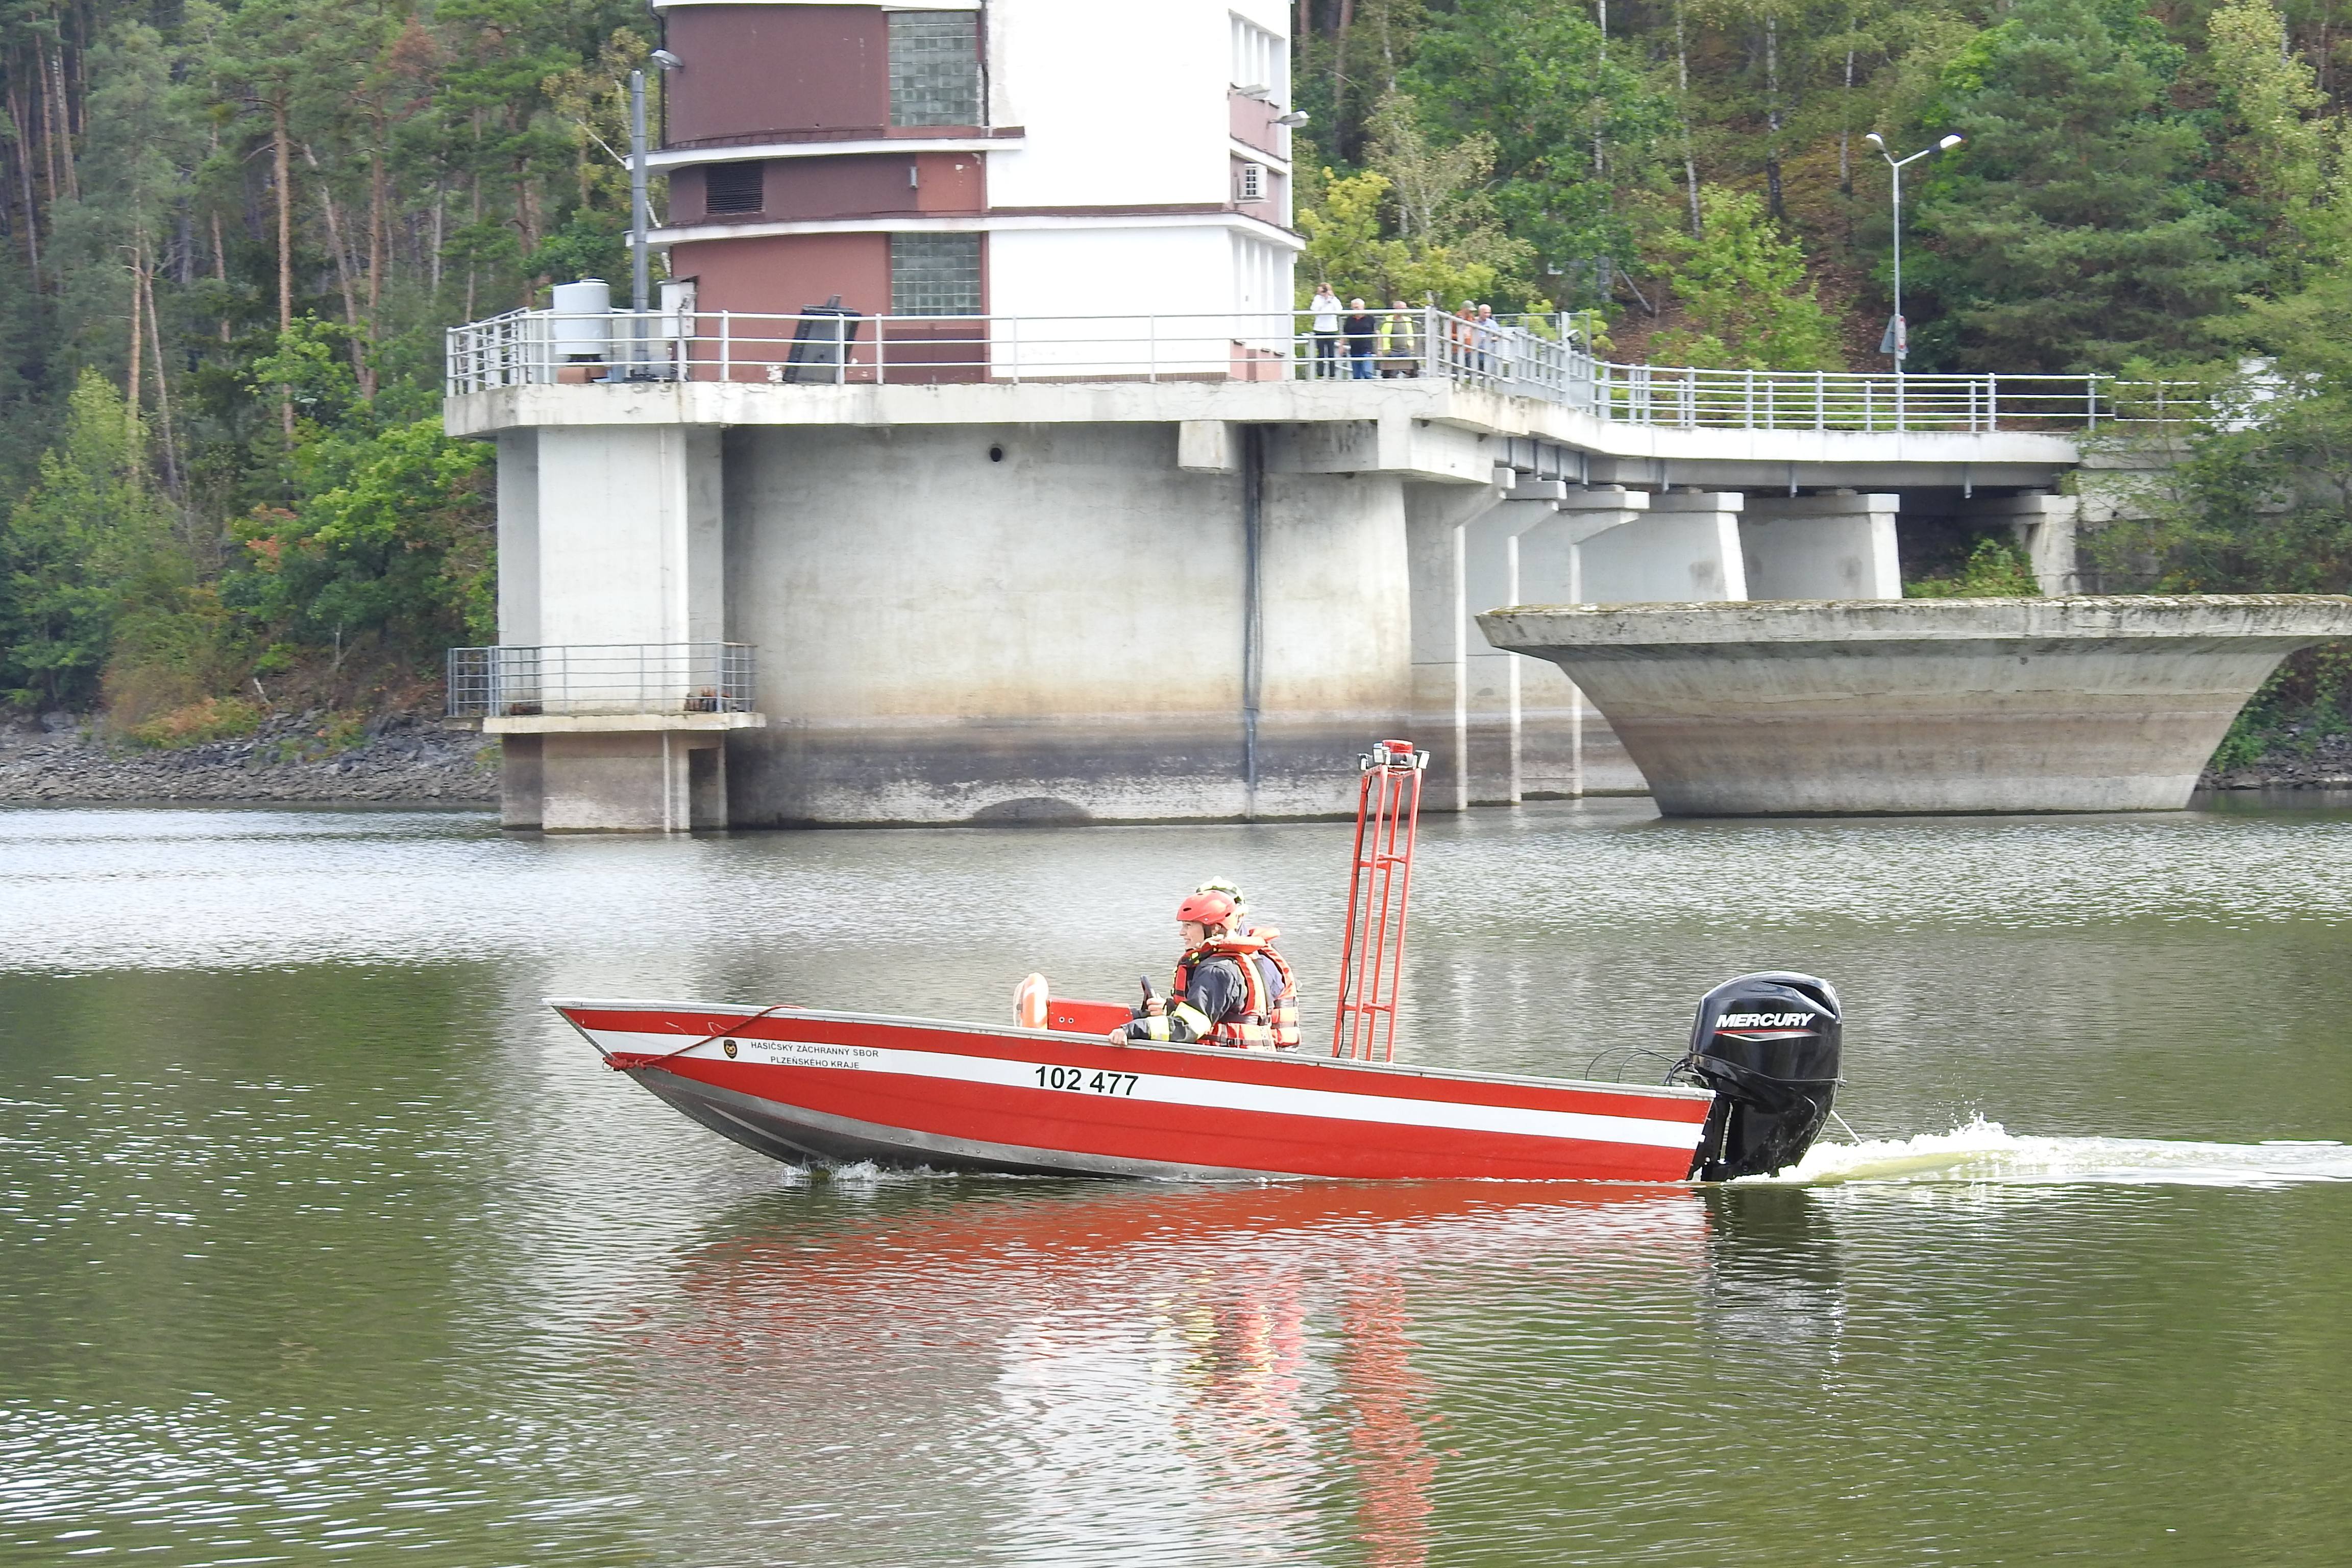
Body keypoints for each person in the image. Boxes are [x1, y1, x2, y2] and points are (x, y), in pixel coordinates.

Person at [1109, 889, 1300, 1049]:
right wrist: (1169, 1009)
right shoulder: (1236, 961)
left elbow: (1187, 1028)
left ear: (1215, 929)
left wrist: (1132, 1030)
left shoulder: (1217, 971)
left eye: (1189, 925)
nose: (1182, 932)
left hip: (1229, 1068)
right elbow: (1217, 1013)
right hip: (1248, 1062)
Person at [1379, 300, 1420, 377]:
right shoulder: (1387, 320)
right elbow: (1381, 335)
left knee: (1413, 370)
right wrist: (1380, 350)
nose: (1405, 310)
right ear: (1396, 309)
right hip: (1391, 351)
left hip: (1406, 350)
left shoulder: (1408, 320)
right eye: (1403, 308)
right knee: (1390, 374)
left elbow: (1410, 334)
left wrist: (1412, 348)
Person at [1308, 284, 1342, 379]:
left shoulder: (1334, 299)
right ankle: (1320, 374)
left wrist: (1332, 298)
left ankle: (1332, 374)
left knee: (1331, 352)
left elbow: (1339, 310)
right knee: (1321, 352)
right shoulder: (1317, 299)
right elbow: (1314, 309)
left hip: (1332, 329)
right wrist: (1323, 300)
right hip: (1320, 329)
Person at [1343, 299, 1379, 379]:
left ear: (1363, 307)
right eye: (1354, 308)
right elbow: (1345, 334)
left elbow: (1377, 333)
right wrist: (1342, 346)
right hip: (1354, 349)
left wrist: (1379, 348)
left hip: (1367, 348)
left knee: (1367, 372)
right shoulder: (1349, 320)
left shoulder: (1370, 319)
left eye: (1357, 308)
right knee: (1356, 375)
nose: (1355, 310)